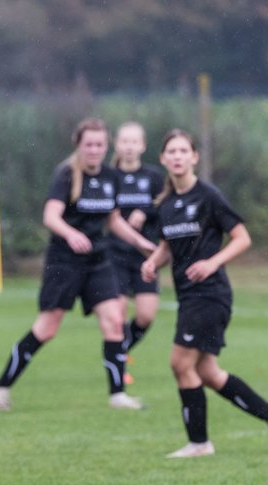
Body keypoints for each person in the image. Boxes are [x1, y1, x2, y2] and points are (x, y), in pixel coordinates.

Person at [0, 117, 157, 413]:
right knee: (47, 328)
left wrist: (140, 242)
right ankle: (0, 386)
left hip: (98, 261)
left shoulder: (110, 176)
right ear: (78, 145)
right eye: (89, 144)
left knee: (115, 321)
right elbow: (51, 216)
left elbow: (113, 219)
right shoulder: (66, 174)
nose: (94, 150)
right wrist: (71, 233)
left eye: (99, 145)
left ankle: (118, 395)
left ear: (107, 146)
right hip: (64, 262)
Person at [140, 130, 268, 458]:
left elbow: (241, 238)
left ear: (194, 157)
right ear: (163, 159)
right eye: (171, 152)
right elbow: (168, 244)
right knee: (206, 372)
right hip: (188, 297)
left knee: (180, 363)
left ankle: (199, 443)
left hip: (210, 294)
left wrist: (212, 262)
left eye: (184, 151)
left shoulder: (208, 196)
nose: (177, 156)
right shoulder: (165, 205)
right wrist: (153, 261)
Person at [109, 122, 164, 385]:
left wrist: (147, 211)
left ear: (142, 146)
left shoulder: (153, 177)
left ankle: (120, 352)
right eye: (124, 141)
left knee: (146, 315)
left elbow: (165, 205)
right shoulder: (108, 176)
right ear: (116, 144)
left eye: (134, 142)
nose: (129, 147)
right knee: (116, 315)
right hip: (114, 255)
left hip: (145, 256)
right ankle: (117, 369)